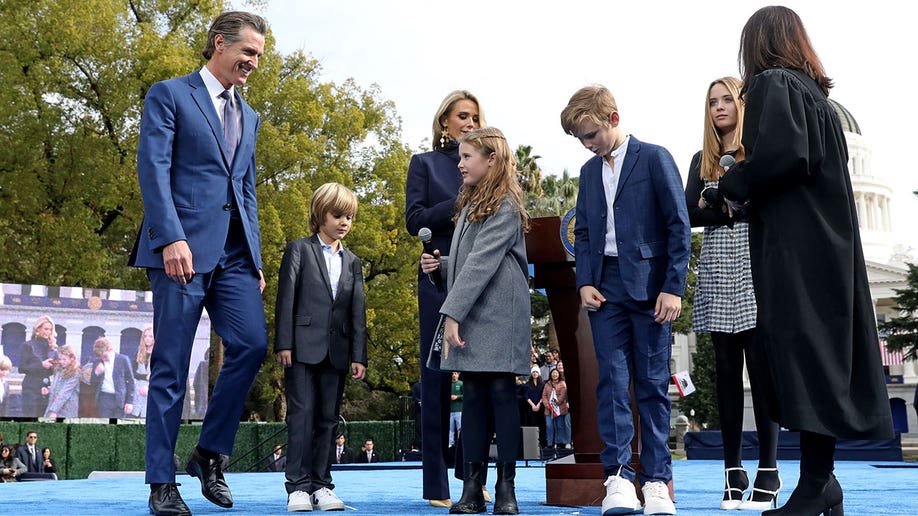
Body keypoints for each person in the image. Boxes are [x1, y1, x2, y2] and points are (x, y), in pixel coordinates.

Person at [718, 7, 895, 515]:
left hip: (796, 250)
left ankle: (817, 483)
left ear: (759, 44)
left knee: (800, 359)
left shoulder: (774, 83)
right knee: (818, 359)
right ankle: (822, 483)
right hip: (829, 245)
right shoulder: (817, 96)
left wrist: (734, 184)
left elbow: (784, 157)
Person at [128, 10, 270, 516]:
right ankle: (162, 483)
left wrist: (253, 258)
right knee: (171, 364)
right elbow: (154, 166)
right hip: (180, 252)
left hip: (233, 257)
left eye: (258, 55)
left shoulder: (250, 116)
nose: (253, 62)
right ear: (219, 44)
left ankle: (209, 453)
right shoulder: (170, 94)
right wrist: (170, 238)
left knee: (253, 344)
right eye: (247, 52)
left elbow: (246, 190)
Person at [561, 84, 690, 516]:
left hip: (653, 290)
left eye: (591, 134)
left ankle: (655, 482)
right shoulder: (587, 172)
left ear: (613, 119)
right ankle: (616, 479)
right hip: (604, 291)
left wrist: (673, 286)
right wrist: (584, 282)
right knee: (612, 384)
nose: (587, 144)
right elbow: (581, 231)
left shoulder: (655, 158)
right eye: (580, 138)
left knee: (652, 386)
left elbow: (678, 226)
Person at [420, 126, 531, 515]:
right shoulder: (467, 205)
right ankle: (471, 485)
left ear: (492, 160)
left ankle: (506, 488)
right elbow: (469, 262)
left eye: (468, 157)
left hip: (499, 311)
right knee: (473, 397)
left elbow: (484, 261)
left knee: (501, 392)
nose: (460, 164)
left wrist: (451, 313)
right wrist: (441, 266)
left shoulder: (506, 204)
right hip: (474, 306)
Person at [684, 76, 780, 510]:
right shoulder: (698, 159)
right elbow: (690, 211)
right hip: (719, 262)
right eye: (712, 102)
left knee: (760, 367)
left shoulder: (758, 151)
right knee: (725, 368)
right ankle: (732, 468)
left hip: (755, 258)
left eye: (726, 99)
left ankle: (769, 469)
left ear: (742, 104)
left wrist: (720, 202)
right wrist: (725, 204)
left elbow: (760, 204)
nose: (719, 107)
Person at [405, 89, 485, 509]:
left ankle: (473, 476)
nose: (469, 123)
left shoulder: (489, 166)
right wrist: (457, 205)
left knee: (480, 376)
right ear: (444, 123)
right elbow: (413, 219)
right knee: (435, 377)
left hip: (483, 276)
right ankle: (435, 481)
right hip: (436, 274)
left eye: (475, 117)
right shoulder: (425, 164)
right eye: (461, 116)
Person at [275, 182, 368, 512]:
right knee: (301, 415)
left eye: (350, 217)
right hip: (300, 349)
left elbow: (358, 312)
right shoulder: (299, 250)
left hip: (338, 352)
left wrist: (359, 355)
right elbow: (285, 299)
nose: (345, 222)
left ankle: (322, 485)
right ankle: (297, 487)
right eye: (338, 215)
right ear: (319, 215)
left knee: (328, 418)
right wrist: (283, 343)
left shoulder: (354, 262)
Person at [18, 315, 58, 417]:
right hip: (31, 388)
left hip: (47, 388)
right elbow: (21, 368)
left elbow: (54, 369)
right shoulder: (27, 345)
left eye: (50, 329)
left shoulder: (53, 348)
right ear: (38, 329)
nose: (48, 332)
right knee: (30, 417)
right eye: (46, 329)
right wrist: (41, 365)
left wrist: (56, 365)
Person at [90, 337, 135, 418]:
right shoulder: (97, 362)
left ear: (109, 349)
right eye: (100, 356)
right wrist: (96, 373)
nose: (102, 358)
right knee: (105, 427)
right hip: (104, 398)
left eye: (104, 355)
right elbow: (92, 383)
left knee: (118, 427)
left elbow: (131, 381)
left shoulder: (123, 359)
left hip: (120, 399)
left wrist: (130, 402)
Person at [44, 344, 81, 419]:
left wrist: (54, 411)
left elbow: (65, 393)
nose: (61, 361)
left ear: (72, 358)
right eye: (60, 359)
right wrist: (49, 390)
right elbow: (57, 387)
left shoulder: (75, 373)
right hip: (54, 405)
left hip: (67, 409)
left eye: (64, 359)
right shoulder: (59, 370)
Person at [541, 369, 570, 450]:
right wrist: (547, 405)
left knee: (559, 426)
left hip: (559, 409)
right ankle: (550, 443)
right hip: (548, 409)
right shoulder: (547, 384)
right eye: (553, 373)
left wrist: (555, 404)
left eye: (556, 373)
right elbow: (544, 395)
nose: (555, 375)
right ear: (551, 374)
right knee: (549, 426)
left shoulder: (562, 383)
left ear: (558, 375)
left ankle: (560, 443)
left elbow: (563, 395)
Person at [132, 326, 154, 418]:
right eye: (145, 336)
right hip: (138, 390)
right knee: (136, 416)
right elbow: (133, 372)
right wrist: (145, 377)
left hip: (153, 390)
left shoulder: (159, 353)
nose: (147, 339)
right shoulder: (139, 351)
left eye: (150, 336)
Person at [522, 367, 545, 447]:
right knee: (532, 423)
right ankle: (533, 444)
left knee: (541, 425)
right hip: (530, 407)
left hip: (540, 407)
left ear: (539, 373)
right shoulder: (527, 385)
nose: (535, 373)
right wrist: (533, 405)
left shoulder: (542, 384)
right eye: (533, 372)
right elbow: (526, 396)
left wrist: (538, 404)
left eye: (536, 372)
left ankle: (542, 443)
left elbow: (543, 395)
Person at [449, 372, 463, 448]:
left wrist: (457, 397)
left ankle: (460, 443)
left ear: (458, 375)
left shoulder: (461, 384)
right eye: (452, 374)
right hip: (450, 411)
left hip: (459, 410)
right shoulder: (449, 384)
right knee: (450, 429)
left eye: (455, 374)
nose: (454, 375)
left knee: (460, 428)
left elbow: (465, 395)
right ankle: (450, 444)